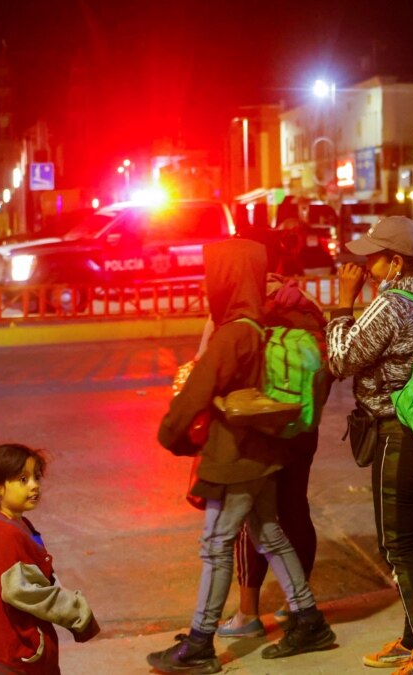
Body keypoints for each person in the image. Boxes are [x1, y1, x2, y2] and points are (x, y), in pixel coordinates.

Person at [148, 239, 336, 675]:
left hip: (234, 458)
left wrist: (173, 438)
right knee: (269, 534)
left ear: (227, 278)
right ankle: (309, 621)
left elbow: (193, 397)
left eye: (213, 273)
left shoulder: (233, 332)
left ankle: (199, 644)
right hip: (262, 456)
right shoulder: (256, 324)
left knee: (216, 545)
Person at [327, 215, 413, 675]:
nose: (365, 263)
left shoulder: (390, 305)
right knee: (411, 539)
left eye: (373, 256)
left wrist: (342, 304)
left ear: (395, 262)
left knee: (398, 545)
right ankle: (412, 641)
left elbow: (342, 359)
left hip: (398, 432)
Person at [217, 276, 329, 638]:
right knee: (295, 508)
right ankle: (293, 604)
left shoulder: (251, 306)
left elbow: (219, 363)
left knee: (253, 514)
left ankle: (247, 613)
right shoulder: (306, 303)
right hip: (303, 423)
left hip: (263, 425)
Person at [0, 443, 101, 674]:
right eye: (23, 480)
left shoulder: (12, 523)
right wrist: (75, 611)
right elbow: (21, 590)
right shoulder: (7, 533)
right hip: (20, 649)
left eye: (36, 478)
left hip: (18, 646)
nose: (34, 486)